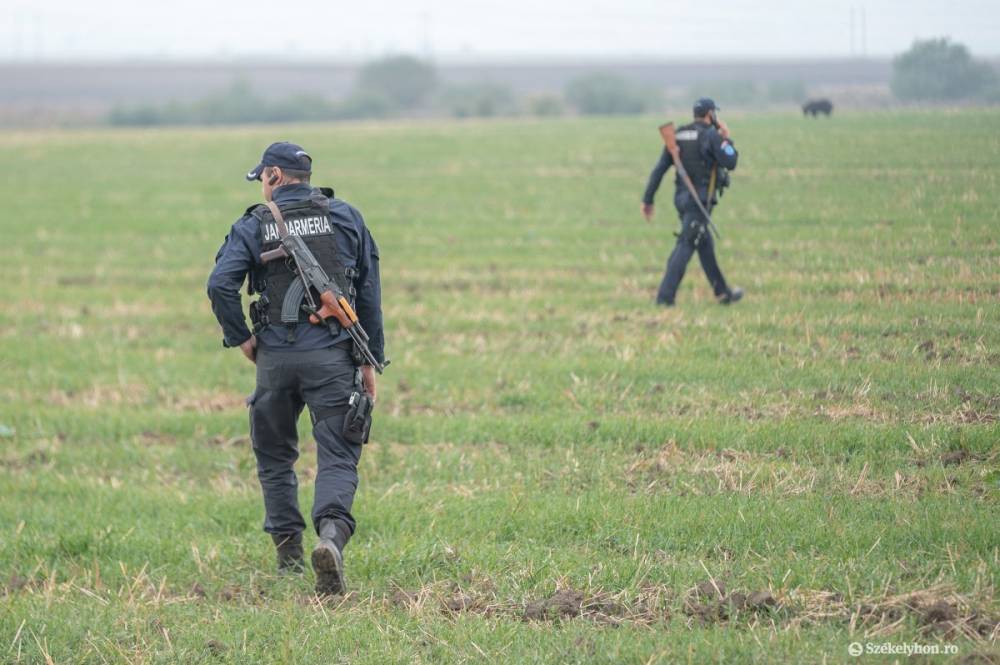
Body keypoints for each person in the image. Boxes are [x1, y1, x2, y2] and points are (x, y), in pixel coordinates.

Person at [207, 141, 385, 595]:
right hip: (332, 354)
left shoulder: (254, 223)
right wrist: (370, 360)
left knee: (274, 455)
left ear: (273, 176)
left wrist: (242, 338)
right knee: (339, 455)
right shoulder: (347, 217)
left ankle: (289, 558)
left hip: (275, 360)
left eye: (262, 180)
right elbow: (368, 294)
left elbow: (220, 285)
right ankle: (331, 538)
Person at [641, 98, 744, 307]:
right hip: (699, 201)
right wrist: (726, 138)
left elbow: (659, 169)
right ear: (710, 114)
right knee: (686, 244)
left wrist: (648, 199)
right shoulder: (711, 136)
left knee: (704, 244)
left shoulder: (677, 135)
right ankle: (664, 298)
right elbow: (731, 161)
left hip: (681, 199)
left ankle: (723, 293)